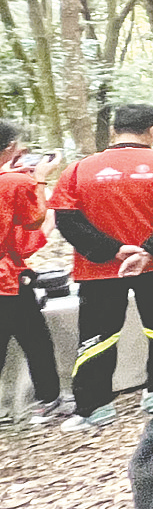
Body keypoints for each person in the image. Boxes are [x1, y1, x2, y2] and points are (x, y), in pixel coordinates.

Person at [50, 103, 153, 431]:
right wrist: (147, 252)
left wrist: (114, 251)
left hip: (98, 269)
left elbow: (66, 220)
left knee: (97, 335)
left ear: (114, 131)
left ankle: (95, 406)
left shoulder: (77, 170)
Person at [0, 122, 63, 424]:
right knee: (35, 339)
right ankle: (49, 399)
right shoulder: (15, 183)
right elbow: (35, 220)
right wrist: (39, 178)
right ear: (11, 148)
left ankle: (47, 397)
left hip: (11, 275)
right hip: (5, 281)